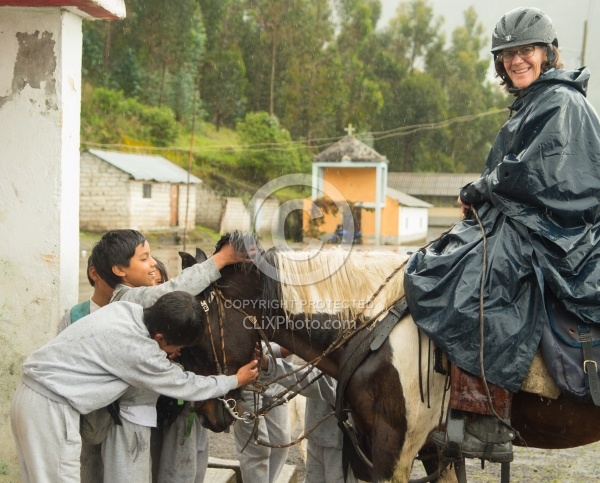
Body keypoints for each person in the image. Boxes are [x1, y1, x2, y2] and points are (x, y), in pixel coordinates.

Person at [404, 7, 600, 464]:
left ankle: (485, 413)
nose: (516, 60)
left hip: (562, 232)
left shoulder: (562, 102)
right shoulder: (537, 101)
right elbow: (518, 172)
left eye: (526, 50)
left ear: (548, 52)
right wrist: (486, 192)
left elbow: (546, 176)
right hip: (536, 221)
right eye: (508, 54)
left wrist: (484, 187)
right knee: (447, 259)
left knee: (480, 277)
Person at [10, 291, 259, 483]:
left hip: (29, 395)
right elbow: (185, 384)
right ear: (159, 338)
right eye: (176, 348)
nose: (176, 354)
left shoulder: (125, 310)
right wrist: (234, 380)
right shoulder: (139, 351)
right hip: (52, 408)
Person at [90, 229, 252, 482]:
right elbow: (169, 292)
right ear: (120, 270)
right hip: (124, 421)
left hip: (138, 417)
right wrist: (220, 260)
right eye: (144, 258)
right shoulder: (125, 298)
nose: (153, 263)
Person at [151, 258, 212, 483]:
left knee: (189, 462)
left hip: (182, 409)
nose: (154, 288)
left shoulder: (182, 322)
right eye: (150, 282)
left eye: (160, 282)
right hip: (155, 410)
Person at [57, 255, 114, 483]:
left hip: (122, 419)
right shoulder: (74, 316)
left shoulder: (135, 314)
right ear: (94, 274)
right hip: (83, 415)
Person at [259, 352, 357, 483]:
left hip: (339, 442)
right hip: (316, 436)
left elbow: (322, 384)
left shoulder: (349, 347)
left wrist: (270, 366)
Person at [233, 343, 291, 483]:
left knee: (281, 443)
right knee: (256, 451)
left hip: (278, 377)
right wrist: (281, 349)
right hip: (247, 379)